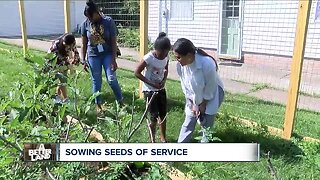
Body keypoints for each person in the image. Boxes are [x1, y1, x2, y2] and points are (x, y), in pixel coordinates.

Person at [173, 38, 225, 143]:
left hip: (212, 94)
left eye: (178, 57)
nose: (177, 60)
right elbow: (185, 86)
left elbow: (211, 86)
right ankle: (179, 149)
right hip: (193, 96)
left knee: (206, 125)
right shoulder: (180, 66)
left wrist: (203, 103)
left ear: (188, 56)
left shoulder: (207, 63)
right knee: (189, 121)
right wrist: (193, 103)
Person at [81, 0, 124, 113]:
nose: (89, 19)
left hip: (108, 54)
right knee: (96, 80)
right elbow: (84, 44)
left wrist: (114, 60)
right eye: (87, 17)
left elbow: (114, 42)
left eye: (91, 16)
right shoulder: (85, 24)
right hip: (93, 56)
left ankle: (120, 101)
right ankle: (98, 105)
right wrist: (83, 60)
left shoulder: (108, 21)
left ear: (96, 12)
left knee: (111, 79)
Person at [134, 32, 171, 143]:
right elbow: (136, 72)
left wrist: (163, 80)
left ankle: (163, 138)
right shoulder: (149, 58)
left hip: (160, 88)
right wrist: (150, 83)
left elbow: (166, 69)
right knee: (153, 116)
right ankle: (152, 140)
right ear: (156, 49)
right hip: (149, 90)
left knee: (163, 114)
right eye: (161, 53)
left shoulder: (166, 57)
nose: (163, 56)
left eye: (165, 53)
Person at [45, 33, 80, 104]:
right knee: (63, 79)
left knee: (63, 79)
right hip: (56, 60)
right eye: (64, 44)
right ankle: (65, 99)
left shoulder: (72, 42)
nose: (65, 45)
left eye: (67, 45)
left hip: (64, 59)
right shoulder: (56, 45)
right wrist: (48, 68)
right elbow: (49, 56)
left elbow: (75, 51)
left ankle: (57, 96)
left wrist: (76, 60)